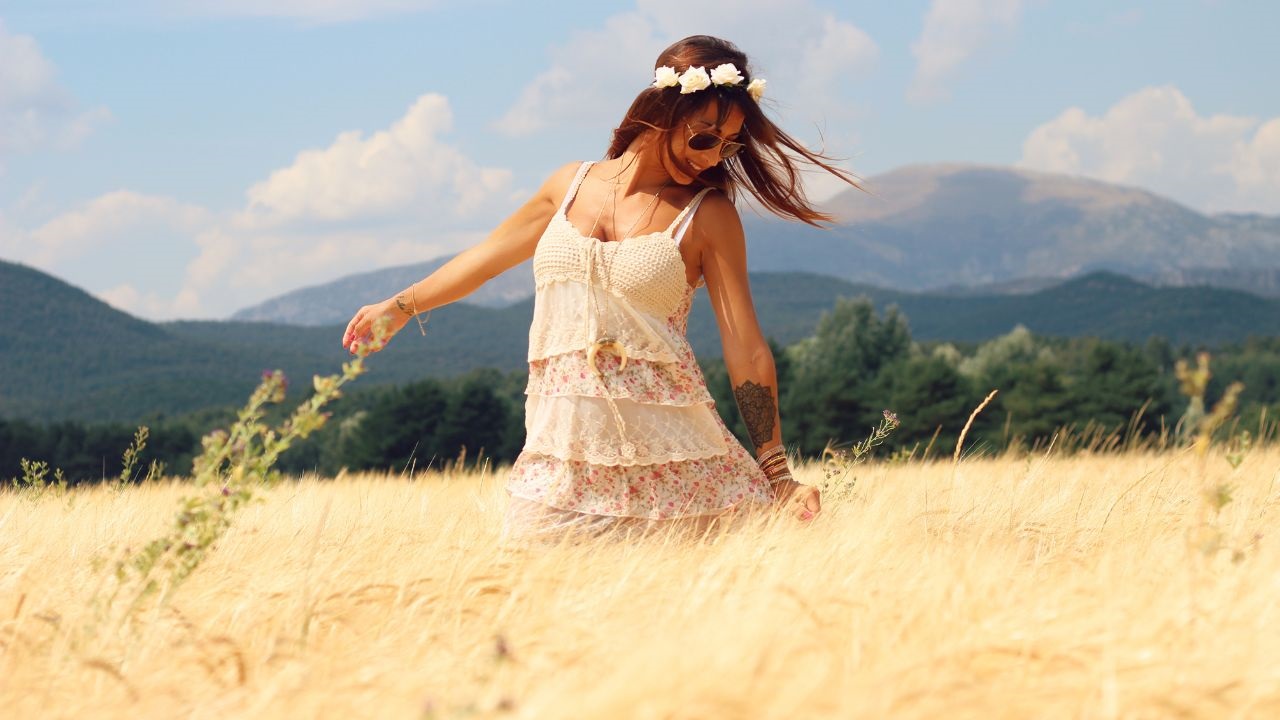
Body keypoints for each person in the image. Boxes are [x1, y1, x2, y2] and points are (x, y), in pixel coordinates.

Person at [342, 35, 858, 539]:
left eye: (728, 146)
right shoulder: (567, 185)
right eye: (703, 137)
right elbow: (484, 261)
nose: (712, 157)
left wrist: (778, 475)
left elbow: (746, 348)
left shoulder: (709, 216)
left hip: (675, 470)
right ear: (661, 113)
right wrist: (401, 306)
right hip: (559, 459)